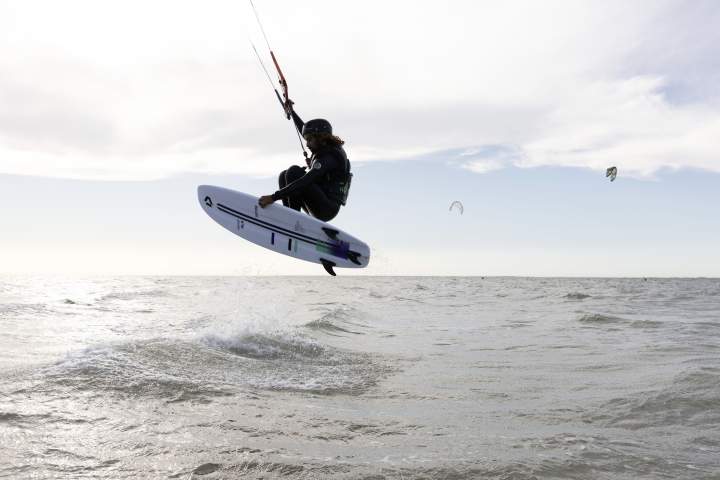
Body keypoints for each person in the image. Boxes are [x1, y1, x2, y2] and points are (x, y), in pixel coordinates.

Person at [258, 101, 352, 222]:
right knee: (284, 175)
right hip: (319, 201)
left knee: (294, 172)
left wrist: (273, 197)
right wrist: (292, 112)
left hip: (327, 208)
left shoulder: (330, 157)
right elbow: (304, 128)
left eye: (309, 140)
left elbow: (305, 181)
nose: (307, 144)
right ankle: (290, 215)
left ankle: (293, 220)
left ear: (320, 138)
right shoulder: (323, 145)